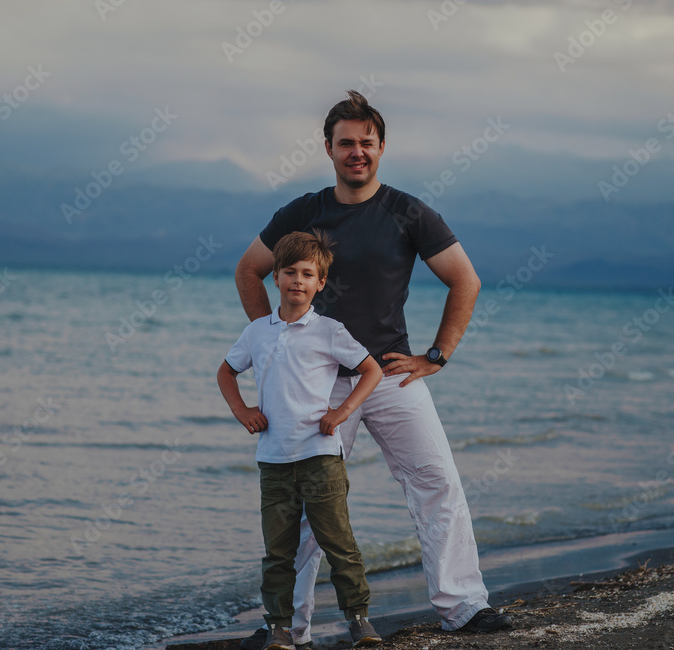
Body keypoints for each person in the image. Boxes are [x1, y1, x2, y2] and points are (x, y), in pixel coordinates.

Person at [235, 90, 511, 650]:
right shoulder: (304, 211)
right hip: (317, 388)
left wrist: (436, 355)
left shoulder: (408, 211)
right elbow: (249, 270)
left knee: (436, 482)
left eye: (366, 142)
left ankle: (463, 606)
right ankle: (291, 628)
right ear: (329, 149)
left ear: (381, 147)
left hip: (389, 374)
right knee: (311, 504)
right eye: (346, 143)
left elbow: (466, 279)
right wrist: (276, 345)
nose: (356, 152)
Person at [218, 230, 385, 650]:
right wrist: (244, 412)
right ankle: (279, 628)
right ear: (274, 277)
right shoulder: (257, 331)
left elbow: (372, 371)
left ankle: (360, 621)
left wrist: (341, 413)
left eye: (307, 274)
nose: (298, 280)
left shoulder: (329, 330)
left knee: (338, 544)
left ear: (320, 282)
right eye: (289, 271)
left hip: (320, 456)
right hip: (273, 460)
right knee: (278, 552)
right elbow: (225, 372)